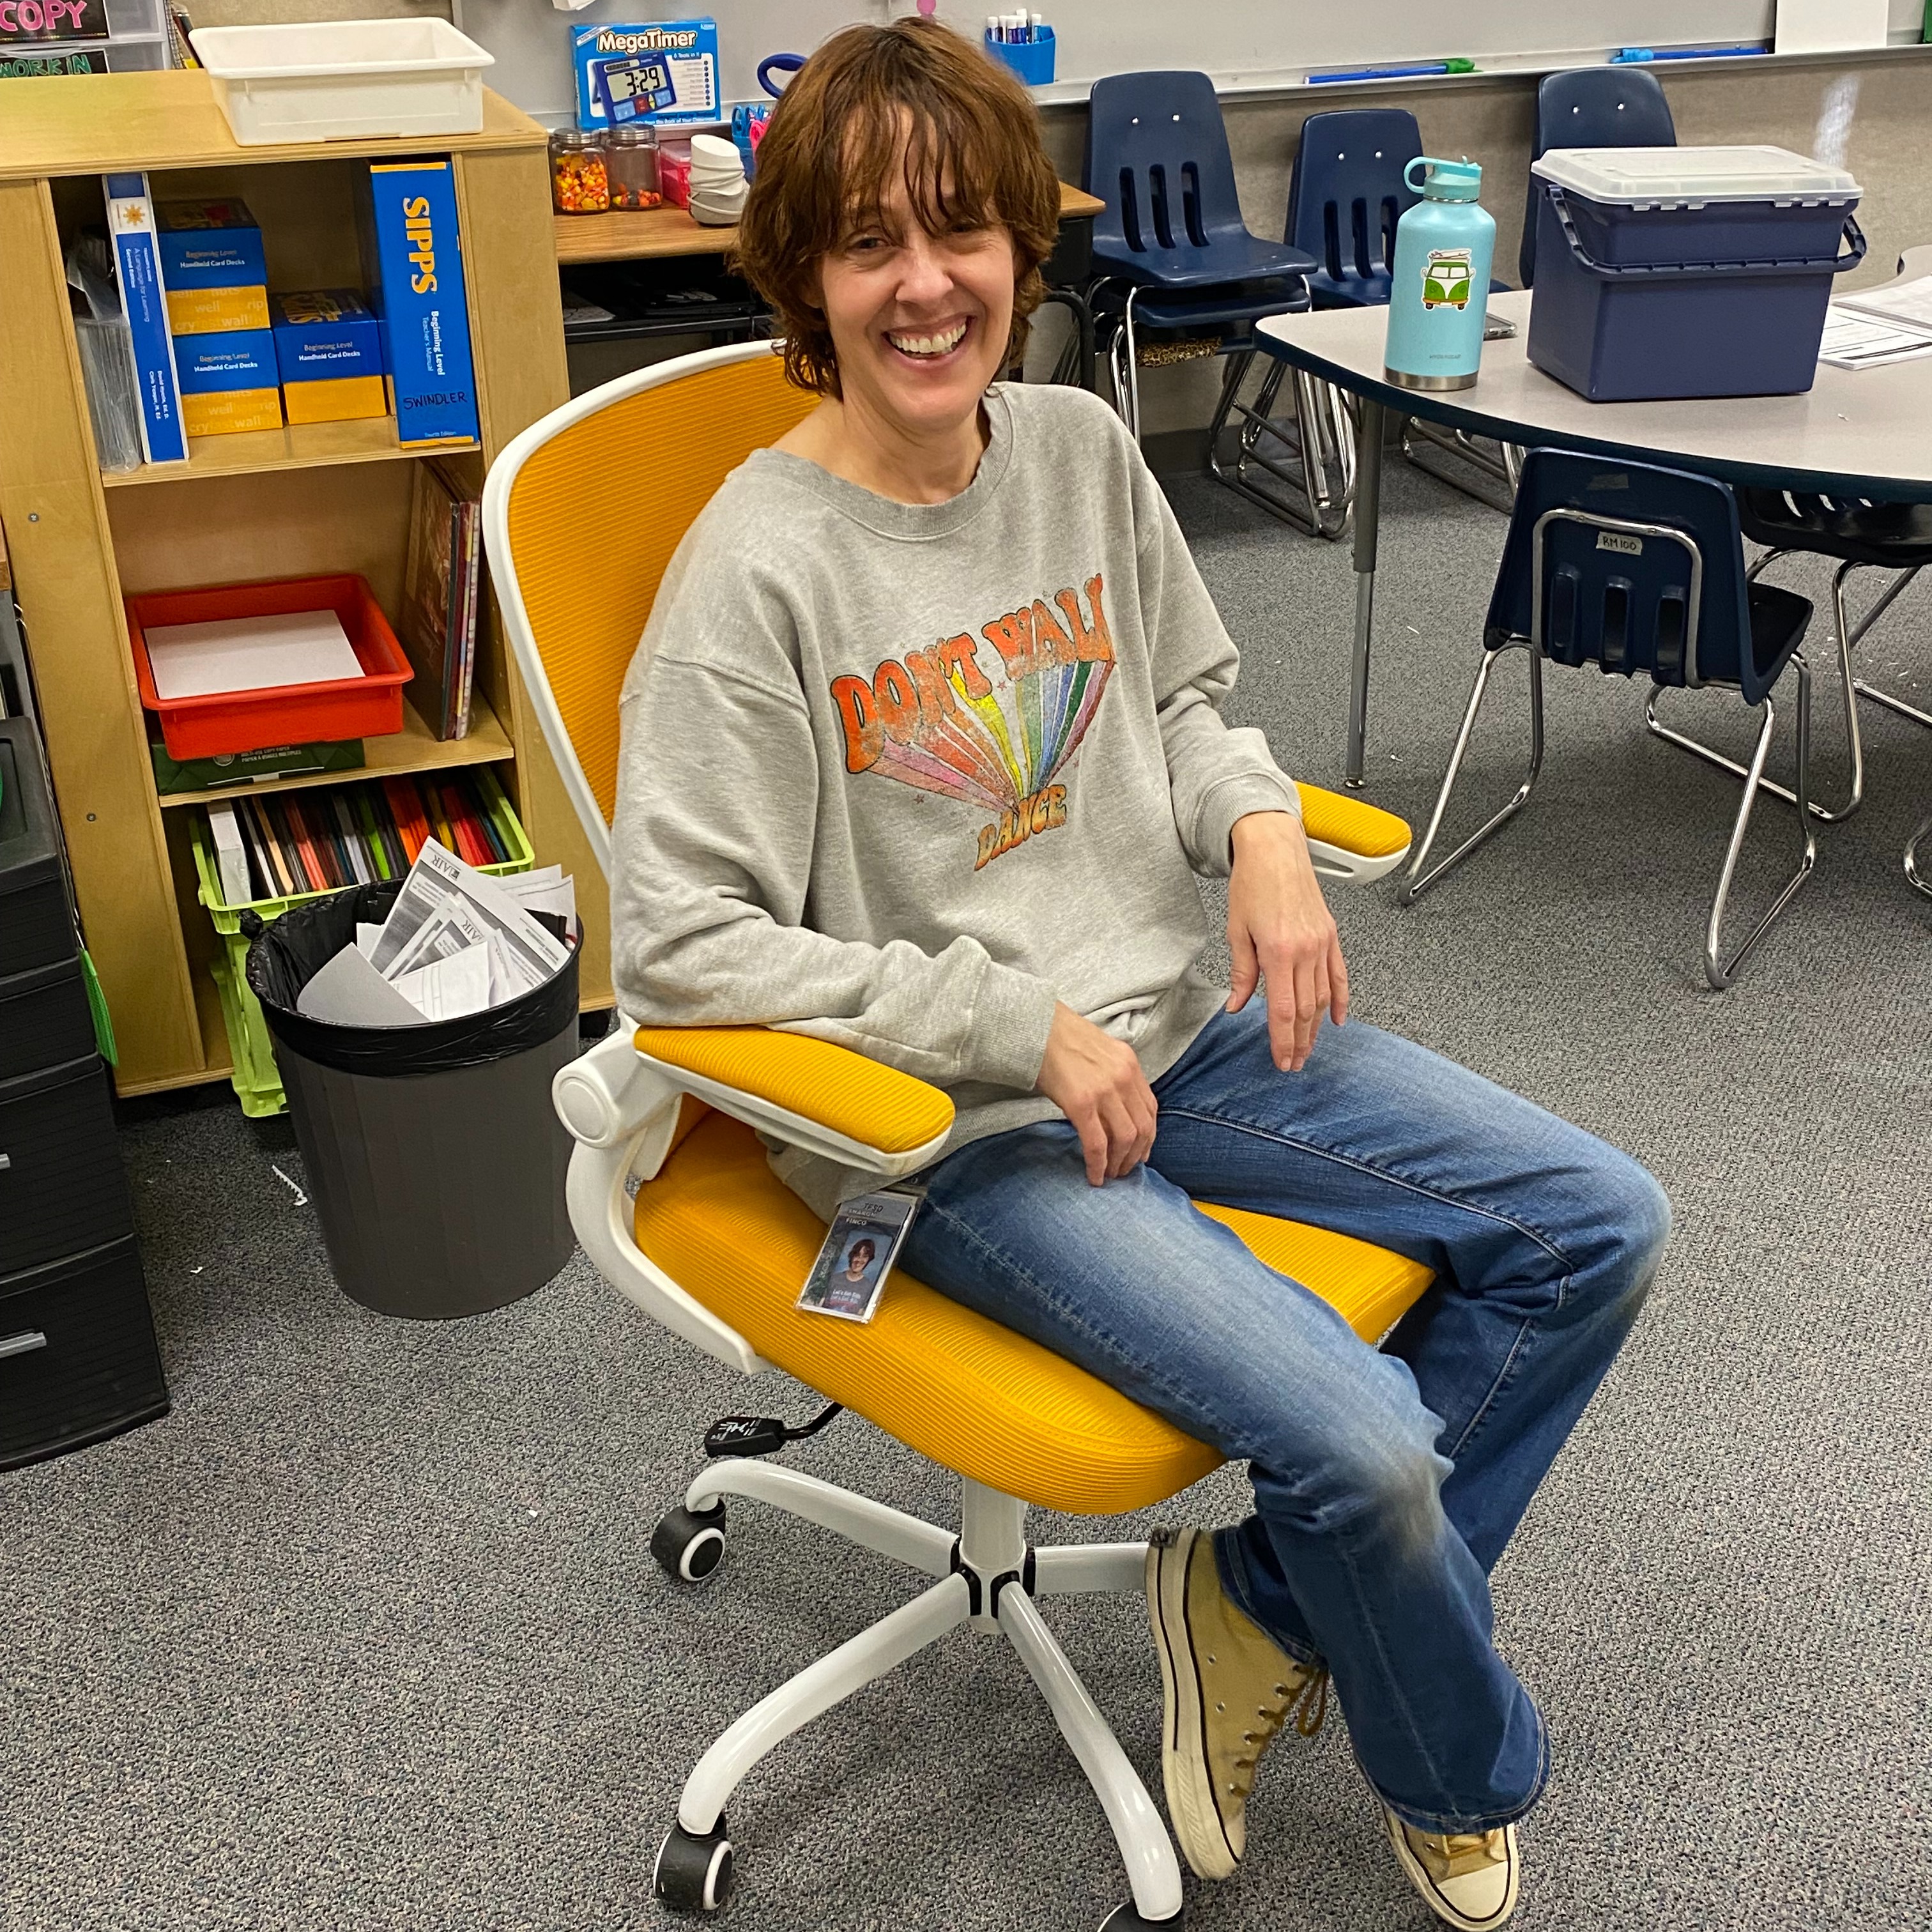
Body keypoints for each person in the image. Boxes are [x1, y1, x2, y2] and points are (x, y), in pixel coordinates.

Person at [610, 20, 1669, 1929]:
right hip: (963, 1128)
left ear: (1023, 247)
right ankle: (1457, 1755)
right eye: (871, 247)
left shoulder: (1084, 448)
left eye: (962, 235)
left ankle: (1251, 1604)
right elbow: (682, 950)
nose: (926, 287)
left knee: (1601, 1223)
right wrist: (1005, 1019)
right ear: (807, 281)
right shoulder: (756, 574)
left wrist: (1258, 831)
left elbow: (1182, 698)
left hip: (1185, 1031)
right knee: (1358, 1438)